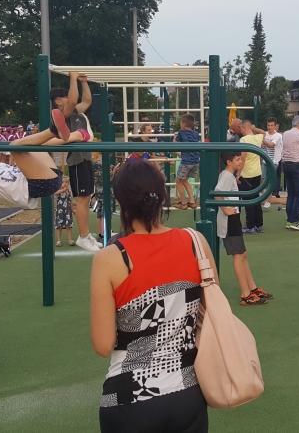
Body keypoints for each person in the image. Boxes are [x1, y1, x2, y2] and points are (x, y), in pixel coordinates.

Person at [89, 162, 214, 432]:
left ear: (121, 203)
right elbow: (210, 311)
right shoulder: (196, 242)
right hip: (188, 391)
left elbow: (103, 344)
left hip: (129, 397)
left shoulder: (110, 258)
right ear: (163, 197)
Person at [0, 127, 91, 225]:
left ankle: (78, 135)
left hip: (47, 178)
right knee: (15, 146)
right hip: (36, 185)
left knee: (34, 143)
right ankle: (53, 130)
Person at [50, 71, 100, 251]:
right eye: (65, 96)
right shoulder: (62, 113)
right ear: (58, 101)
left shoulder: (76, 113)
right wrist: (72, 78)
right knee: (82, 199)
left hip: (85, 157)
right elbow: (72, 100)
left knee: (87, 198)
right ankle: (83, 236)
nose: (71, 98)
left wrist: (84, 82)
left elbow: (86, 101)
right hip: (77, 159)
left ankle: (86, 235)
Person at [215, 151, 274, 305]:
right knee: (238, 256)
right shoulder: (226, 176)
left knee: (243, 254)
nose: (240, 162)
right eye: (237, 159)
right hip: (229, 220)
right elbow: (217, 194)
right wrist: (226, 209)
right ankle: (245, 294)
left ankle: (252, 288)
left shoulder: (229, 176)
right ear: (229, 162)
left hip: (234, 218)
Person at [239, 120, 266, 234]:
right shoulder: (257, 137)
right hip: (257, 172)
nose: (240, 130)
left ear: (244, 128)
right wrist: (255, 129)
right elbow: (263, 132)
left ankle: (250, 226)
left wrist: (238, 174)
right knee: (256, 198)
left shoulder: (244, 140)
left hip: (246, 174)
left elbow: (243, 158)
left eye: (241, 128)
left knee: (247, 200)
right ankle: (259, 224)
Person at [173, 114, 201, 209]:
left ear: (184, 124)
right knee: (185, 180)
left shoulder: (181, 132)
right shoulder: (196, 134)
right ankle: (192, 201)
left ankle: (184, 203)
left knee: (178, 181)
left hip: (186, 162)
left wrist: (175, 136)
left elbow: (174, 145)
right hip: (195, 162)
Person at [262, 117, 283, 204]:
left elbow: (270, 145)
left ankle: (268, 200)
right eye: (268, 125)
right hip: (265, 161)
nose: (270, 127)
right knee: (262, 178)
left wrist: (262, 139)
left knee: (271, 180)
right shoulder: (264, 134)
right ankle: (263, 196)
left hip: (274, 161)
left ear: (275, 126)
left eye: (271, 125)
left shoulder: (278, 136)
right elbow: (262, 146)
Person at [55, 179, 74, 247]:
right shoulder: (59, 191)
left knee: (68, 225)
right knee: (59, 226)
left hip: (67, 211)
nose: (65, 183)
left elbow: (70, 201)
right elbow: (55, 193)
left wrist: (73, 209)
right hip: (60, 211)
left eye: (66, 182)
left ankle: (70, 240)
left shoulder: (68, 192)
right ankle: (59, 241)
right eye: (62, 182)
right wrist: (63, 190)